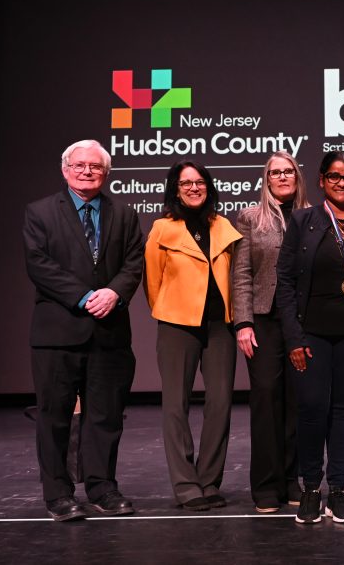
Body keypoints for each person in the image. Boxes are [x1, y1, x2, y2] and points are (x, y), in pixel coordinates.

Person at [23, 139, 144, 522]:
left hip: (109, 331)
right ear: (65, 170)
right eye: (80, 165)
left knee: (105, 416)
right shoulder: (40, 212)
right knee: (54, 415)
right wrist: (85, 295)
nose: (87, 171)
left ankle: (102, 487)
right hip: (57, 332)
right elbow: (39, 265)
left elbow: (133, 262)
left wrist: (113, 293)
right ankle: (58, 493)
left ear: (106, 173)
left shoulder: (123, 214)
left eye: (95, 166)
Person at [276, 151, 344, 524]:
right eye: (334, 176)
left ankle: (338, 490)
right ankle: (309, 489)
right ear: (321, 180)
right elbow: (285, 283)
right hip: (311, 336)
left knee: (343, 411)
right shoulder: (303, 221)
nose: (342, 183)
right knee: (311, 410)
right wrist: (293, 338)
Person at [144, 161, 242, 511]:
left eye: (200, 182)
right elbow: (152, 282)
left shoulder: (223, 225)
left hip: (220, 327)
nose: (194, 188)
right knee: (175, 405)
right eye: (186, 183)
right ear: (175, 188)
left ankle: (209, 481)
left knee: (220, 403)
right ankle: (186, 486)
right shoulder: (161, 228)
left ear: (208, 186)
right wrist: (170, 311)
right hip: (176, 324)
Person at [230, 151, 310, 513]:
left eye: (287, 171)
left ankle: (292, 480)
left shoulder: (313, 216)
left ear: (297, 176)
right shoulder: (250, 218)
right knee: (265, 399)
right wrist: (243, 322)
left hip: (302, 322)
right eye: (275, 172)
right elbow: (242, 273)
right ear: (266, 178)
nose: (281, 177)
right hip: (262, 320)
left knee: (297, 403)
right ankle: (265, 484)